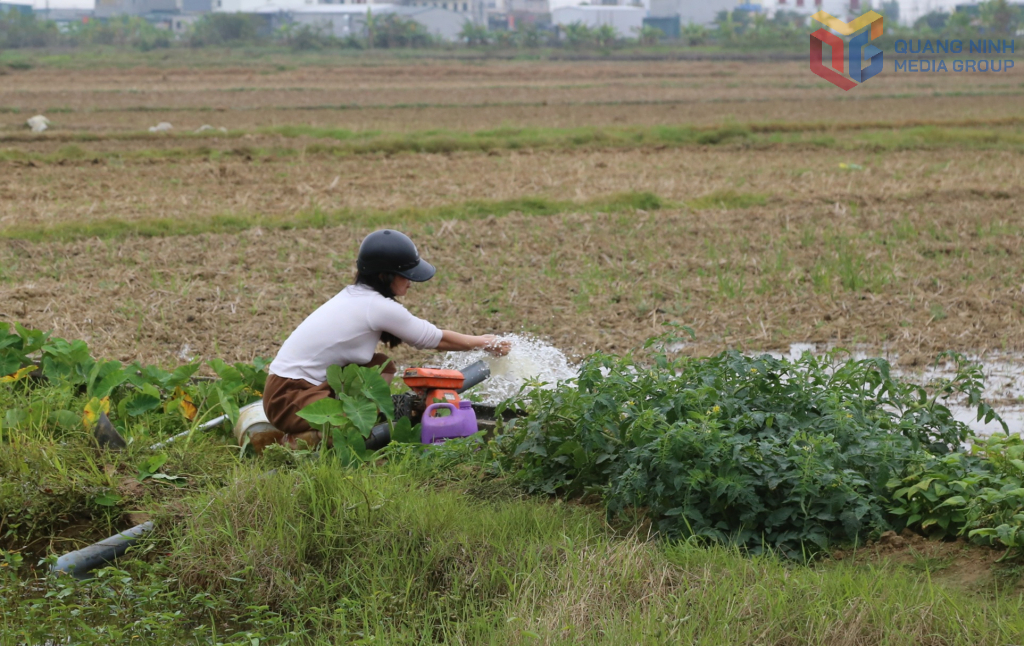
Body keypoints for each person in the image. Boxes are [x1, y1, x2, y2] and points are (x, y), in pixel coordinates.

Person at [259, 229, 509, 451]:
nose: (410, 281)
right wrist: (484, 341)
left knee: (381, 365)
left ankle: (352, 424)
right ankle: (298, 442)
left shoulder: (356, 296)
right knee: (349, 429)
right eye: (405, 275)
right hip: (289, 396)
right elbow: (433, 338)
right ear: (384, 277)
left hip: (294, 387)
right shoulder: (376, 306)